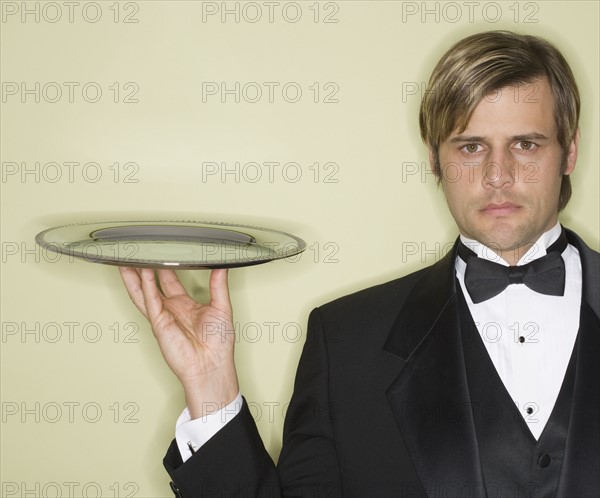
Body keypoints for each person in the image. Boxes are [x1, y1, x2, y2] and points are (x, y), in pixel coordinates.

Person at [119, 30, 599, 498]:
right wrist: (211, 392)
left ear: (569, 152)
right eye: (471, 147)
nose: (499, 175)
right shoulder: (345, 341)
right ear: (434, 160)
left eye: (526, 145)